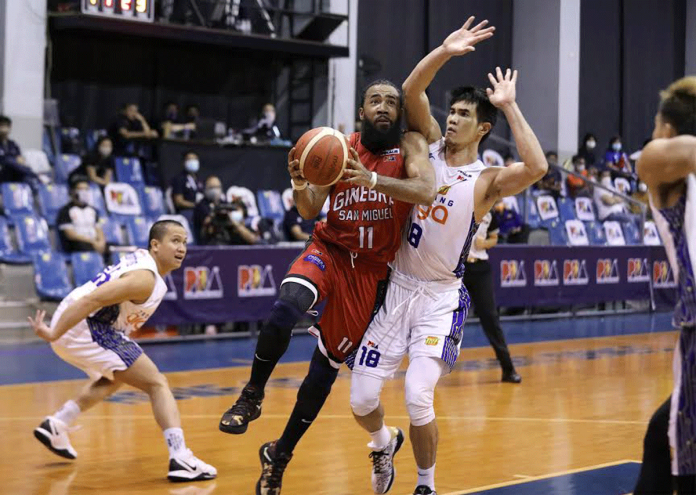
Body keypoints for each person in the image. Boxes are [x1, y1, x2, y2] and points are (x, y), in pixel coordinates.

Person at [349, 17, 546, 495]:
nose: (453, 118)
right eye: (452, 110)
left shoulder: (486, 180)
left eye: (463, 114)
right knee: (361, 399)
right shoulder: (428, 146)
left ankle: (426, 484)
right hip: (397, 287)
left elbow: (538, 166)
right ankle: (383, 443)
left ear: (482, 128)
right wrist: (444, 50)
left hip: (440, 298)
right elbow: (413, 88)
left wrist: (511, 107)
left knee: (418, 396)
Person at [218, 79, 437, 495]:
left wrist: (371, 179)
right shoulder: (338, 146)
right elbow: (308, 208)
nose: (384, 107)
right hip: (329, 250)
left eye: (392, 101)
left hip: (369, 273)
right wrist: (301, 181)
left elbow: (425, 191)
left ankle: (279, 456)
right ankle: (251, 395)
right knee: (285, 308)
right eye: (375, 101)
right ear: (361, 111)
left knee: (324, 370)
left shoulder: (409, 144)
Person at [28, 220, 216, 482]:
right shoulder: (144, 279)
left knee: (115, 377)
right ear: (155, 245)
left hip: (82, 323)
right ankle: (181, 457)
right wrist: (54, 332)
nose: (181, 247)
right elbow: (90, 300)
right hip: (84, 325)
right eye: (174, 240)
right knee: (157, 384)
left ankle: (58, 423)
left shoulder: (145, 265)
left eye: (184, 242)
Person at [632, 76, 696, 494]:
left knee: (669, 437)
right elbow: (652, 157)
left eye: (656, 124)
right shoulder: (665, 166)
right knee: (664, 433)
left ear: (668, 126)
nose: (652, 135)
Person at [465, 211, 521, 382]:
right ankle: (432, 374)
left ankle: (508, 368)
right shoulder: (460, 204)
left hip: (481, 268)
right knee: (447, 320)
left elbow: (494, 239)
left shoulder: (490, 213)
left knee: (490, 317)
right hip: (458, 269)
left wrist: (485, 243)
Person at [194, 175, 258, 245]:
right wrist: (214, 215)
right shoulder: (201, 206)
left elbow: (238, 220)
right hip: (211, 239)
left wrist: (232, 220)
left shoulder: (224, 203)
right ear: (205, 188)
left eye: (217, 187)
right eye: (212, 187)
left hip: (229, 235)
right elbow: (206, 228)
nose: (215, 190)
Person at [57, 177, 106, 255]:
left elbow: (99, 230)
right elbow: (70, 235)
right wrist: (92, 242)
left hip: (94, 242)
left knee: (113, 248)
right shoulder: (65, 211)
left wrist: (101, 242)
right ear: (72, 191)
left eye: (86, 189)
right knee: (86, 248)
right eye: (80, 189)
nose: (84, 192)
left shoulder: (93, 210)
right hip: (79, 243)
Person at [0, 115, 39, 184]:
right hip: (3, 173)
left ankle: (36, 189)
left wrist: (18, 160)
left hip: (15, 173)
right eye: (2, 126)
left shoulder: (13, 144)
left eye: (6, 126)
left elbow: (20, 159)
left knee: (28, 179)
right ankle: (35, 175)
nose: (4, 129)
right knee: (9, 160)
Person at [170, 151, 203, 224]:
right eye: (190, 159)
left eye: (195, 159)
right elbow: (179, 201)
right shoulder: (179, 179)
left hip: (199, 211)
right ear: (184, 162)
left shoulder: (199, 179)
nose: (193, 162)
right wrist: (195, 205)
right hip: (186, 212)